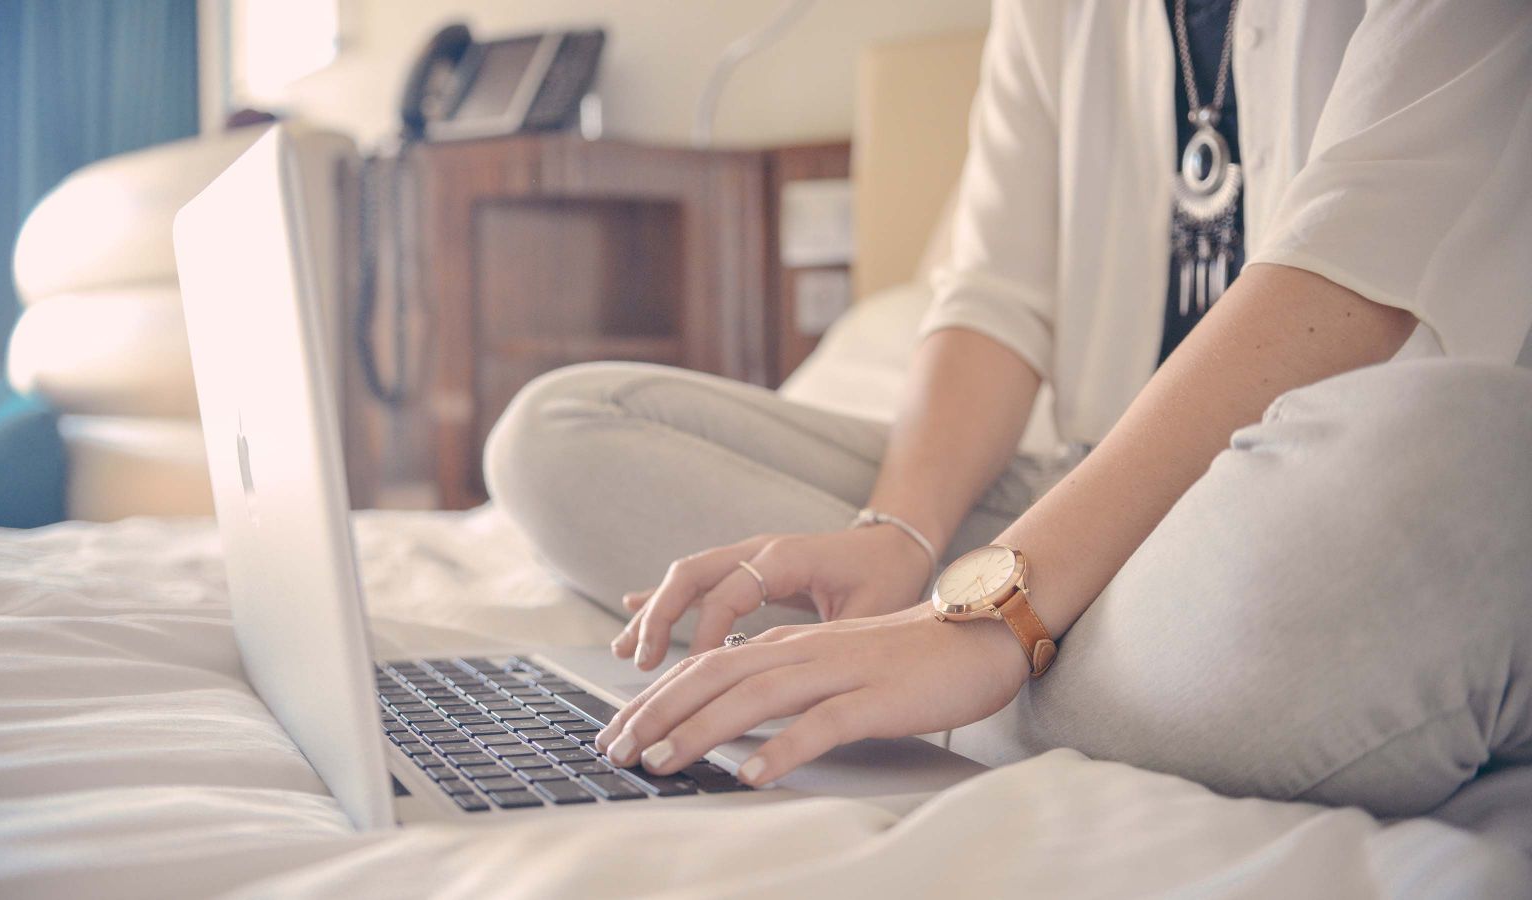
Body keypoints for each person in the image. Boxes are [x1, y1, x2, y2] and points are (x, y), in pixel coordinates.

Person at [486, 0, 1532, 818]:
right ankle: (971, 661)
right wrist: (901, 534)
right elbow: (995, 291)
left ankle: (959, 667)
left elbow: (1349, 268)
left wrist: (989, 620)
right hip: (1085, 494)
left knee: (1461, 457)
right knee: (563, 432)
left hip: (1314, 513)